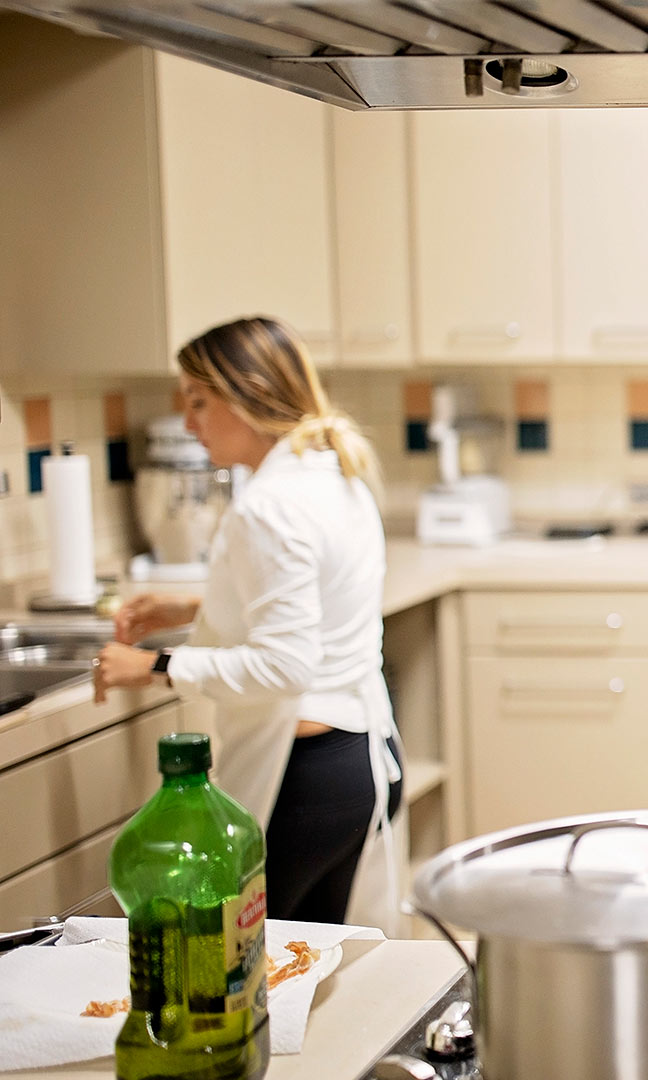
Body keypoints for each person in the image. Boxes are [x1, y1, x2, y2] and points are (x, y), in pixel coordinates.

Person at [93, 316, 405, 932]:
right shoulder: (332, 473)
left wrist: (155, 665)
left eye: (199, 401)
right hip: (360, 760)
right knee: (310, 979)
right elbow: (317, 606)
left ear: (250, 394)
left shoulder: (268, 505)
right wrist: (192, 611)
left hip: (305, 782)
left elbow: (285, 666)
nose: (189, 422)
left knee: (232, 970)